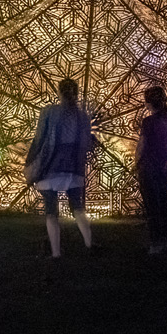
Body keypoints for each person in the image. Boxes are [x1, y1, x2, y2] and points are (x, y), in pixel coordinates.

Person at [26, 78, 97, 258]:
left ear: (59, 92)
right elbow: (87, 143)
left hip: (51, 163)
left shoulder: (49, 112)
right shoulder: (82, 116)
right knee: (78, 208)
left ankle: (56, 252)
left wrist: (31, 161)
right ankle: (89, 244)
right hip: (74, 165)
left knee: (51, 211)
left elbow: (39, 138)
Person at [137, 85, 167, 254]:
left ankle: (155, 243)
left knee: (152, 207)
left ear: (148, 102)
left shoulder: (149, 122)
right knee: (163, 204)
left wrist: (136, 164)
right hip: (164, 167)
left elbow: (141, 146)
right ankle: (165, 240)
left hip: (149, 168)